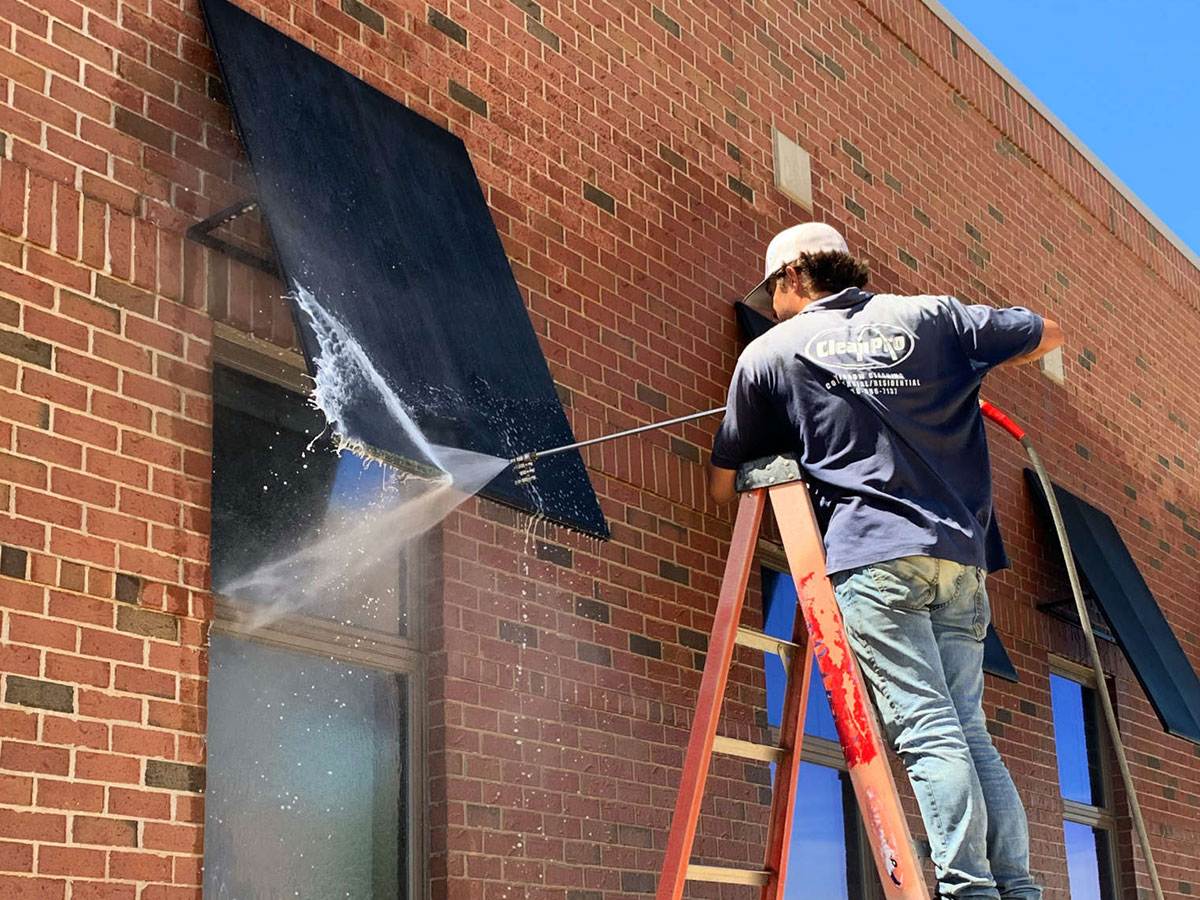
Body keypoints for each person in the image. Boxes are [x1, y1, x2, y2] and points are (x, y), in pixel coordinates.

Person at [708, 222, 1062, 899]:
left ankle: (970, 891)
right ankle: (1014, 888)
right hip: (959, 563)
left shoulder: (772, 353)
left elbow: (722, 484)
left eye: (772, 293)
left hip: (874, 560)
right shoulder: (930, 316)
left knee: (929, 731)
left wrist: (789, 440)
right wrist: (946, 375)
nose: (771, 306)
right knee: (966, 730)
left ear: (790, 280)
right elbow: (1048, 334)